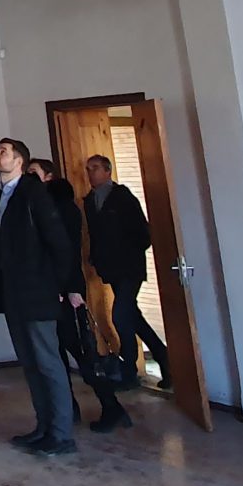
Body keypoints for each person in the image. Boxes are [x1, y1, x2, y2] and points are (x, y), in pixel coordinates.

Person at [0, 137, 100, 453]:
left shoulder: (34, 193)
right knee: (30, 364)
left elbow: (59, 243)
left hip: (38, 293)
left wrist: (62, 286)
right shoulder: (0, 197)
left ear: (19, 161)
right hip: (14, 295)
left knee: (48, 362)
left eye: (4, 152)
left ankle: (61, 434)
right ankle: (44, 427)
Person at [30, 158, 129, 436]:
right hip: (51, 289)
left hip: (66, 289)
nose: (29, 178)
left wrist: (72, 289)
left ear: (48, 177)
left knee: (80, 350)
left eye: (34, 173)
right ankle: (68, 407)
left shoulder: (62, 207)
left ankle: (111, 406)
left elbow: (67, 252)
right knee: (57, 351)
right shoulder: (42, 205)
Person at [84, 153, 172, 390]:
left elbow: (143, 233)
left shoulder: (122, 197)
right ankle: (163, 356)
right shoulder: (90, 201)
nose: (91, 173)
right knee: (131, 315)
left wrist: (126, 250)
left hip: (129, 267)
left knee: (121, 315)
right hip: (110, 268)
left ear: (107, 171)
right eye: (88, 169)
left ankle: (129, 371)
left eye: (95, 168)